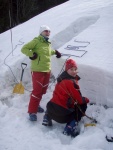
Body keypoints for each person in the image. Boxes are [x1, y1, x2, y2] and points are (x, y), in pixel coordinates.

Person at [21, 25, 61, 121]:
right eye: (45, 31)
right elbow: (24, 48)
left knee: (43, 90)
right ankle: (32, 111)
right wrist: (32, 54)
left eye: (49, 31)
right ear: (41, 32)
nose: (48, 32)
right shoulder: (36, 41)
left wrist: (55, 52)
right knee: (37, 91)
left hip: (47, 70)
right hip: (37, 70)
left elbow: (47, 53)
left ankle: (37, 105)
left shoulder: (47, 43)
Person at [42, 59, 89, 137]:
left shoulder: (60, 80)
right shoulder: (70, 82)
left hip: (51, 109)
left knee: (55, 100)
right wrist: (86, 100)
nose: (74, 71)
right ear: (66, 70)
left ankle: (47, 116)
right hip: (62, 115)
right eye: (71, 69)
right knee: (82, 107)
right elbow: (79, 100)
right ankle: (69, 128)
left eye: (75, 69)